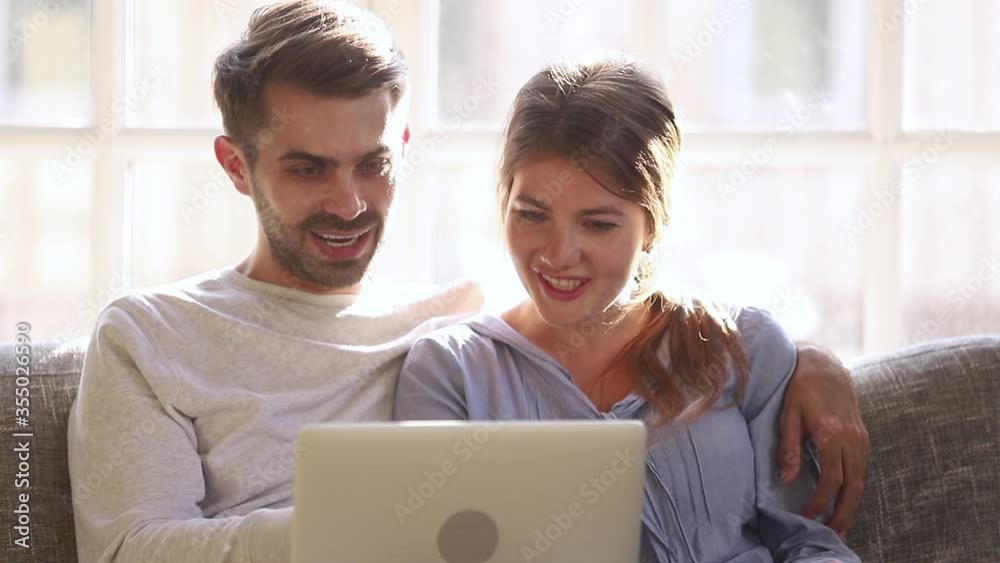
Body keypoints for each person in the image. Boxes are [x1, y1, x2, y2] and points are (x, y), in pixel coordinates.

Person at [67, 2, 867, 562]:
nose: (349, 204)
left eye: (373, 164)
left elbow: (608, 305)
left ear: (404, 148)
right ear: (236, 165)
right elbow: (129, 549)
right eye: (308, 169)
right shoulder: (149, 336)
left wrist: (811, 362)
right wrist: (358, 530)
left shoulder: (446, 319)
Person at [394, 56, 862, 562]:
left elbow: (810, 543)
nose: (558, 255)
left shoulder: (742, 348)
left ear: (653, 224)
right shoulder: (451, 372)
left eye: (598, 225)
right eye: (531, 215)